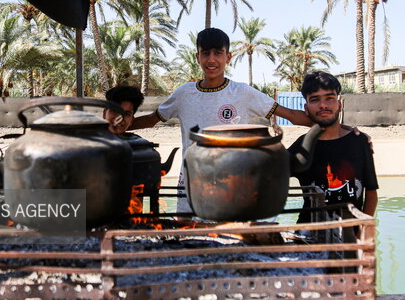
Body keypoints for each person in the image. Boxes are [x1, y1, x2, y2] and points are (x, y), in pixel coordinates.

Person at [129, 27, 312, 211]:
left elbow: (291, 116)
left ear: (228, 57)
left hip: (233, 189)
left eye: (218, 53)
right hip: (191, 190)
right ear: (197, 57)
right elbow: (151, 120)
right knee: (188, 237)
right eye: (206, 53)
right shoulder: (184, 93)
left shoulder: (243, 93)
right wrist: (116, 127)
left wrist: (326, 123)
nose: (211, 60)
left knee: (231, 236)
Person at [288, 71, 378, 223]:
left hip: (349, 238)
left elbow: (371, 194)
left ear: (339, 103)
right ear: (306, 108)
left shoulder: (359, 141)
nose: (323, 105)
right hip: (309, 237)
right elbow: (268, 177)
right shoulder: (302, 147)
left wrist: (362, 232)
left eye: (329, 98)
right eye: (315, 100)